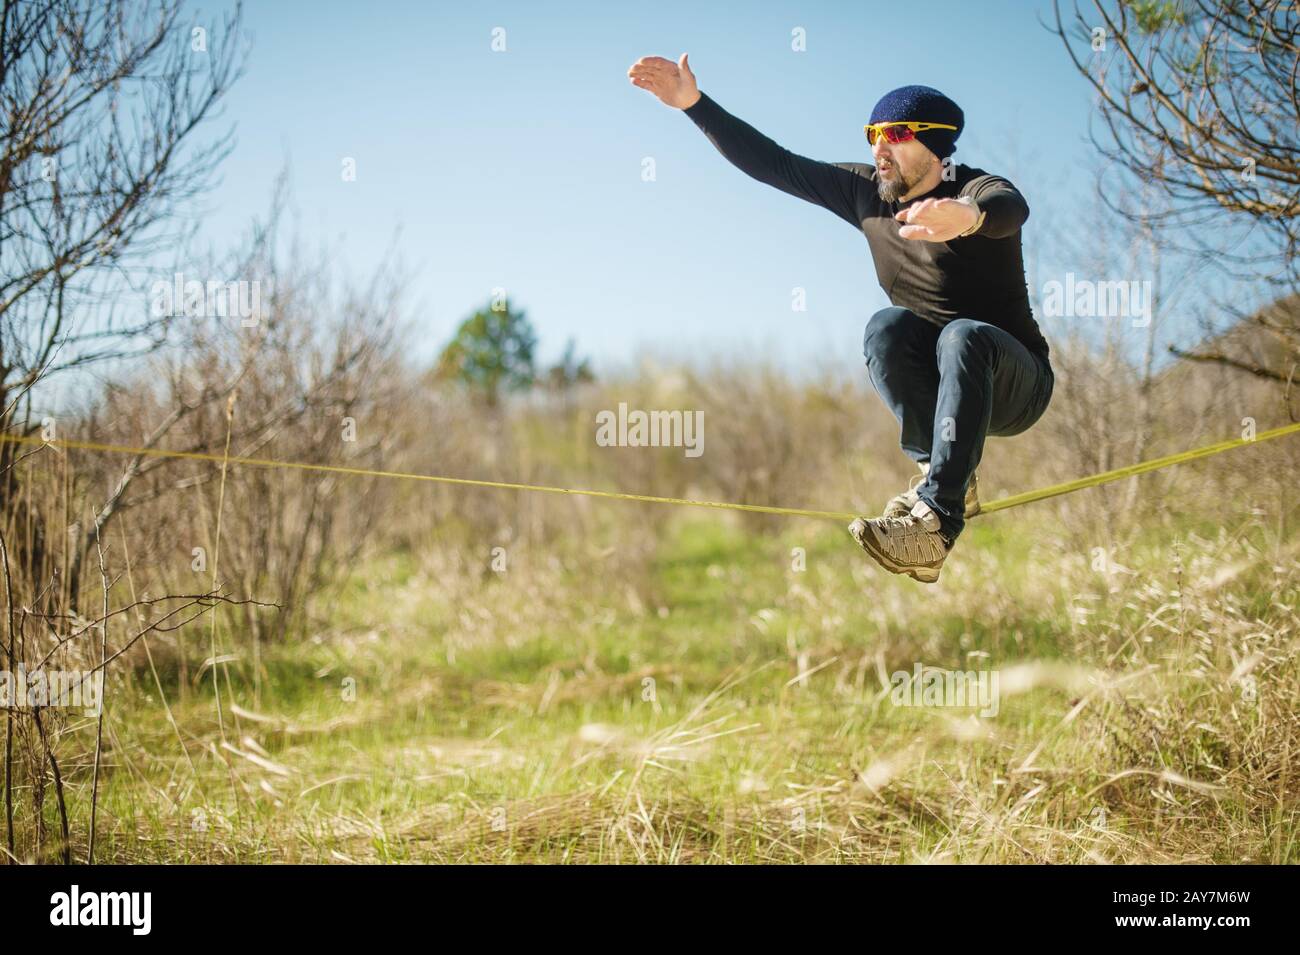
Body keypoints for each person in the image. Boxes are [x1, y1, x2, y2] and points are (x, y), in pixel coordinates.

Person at [628, 53, 1054, 583]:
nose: (878, 146)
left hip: (1017, 384)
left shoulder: (972, 190)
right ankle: (942, 475)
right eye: (872, 132)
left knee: (963, 337)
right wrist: (693, 103)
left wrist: (966, 218)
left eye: (894, 133)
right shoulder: (865, 195)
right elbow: (776, 164)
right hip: (947, 390)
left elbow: (1010, 206)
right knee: (886, 328)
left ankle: (936, 525)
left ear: (936, 143)